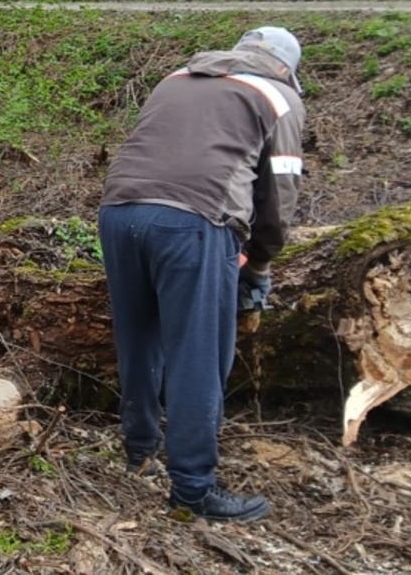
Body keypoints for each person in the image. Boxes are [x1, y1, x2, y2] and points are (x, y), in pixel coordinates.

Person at [99, 26, 306, 523]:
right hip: (195, 221)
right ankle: (192, 489)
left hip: (118, 213)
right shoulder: (276, 95)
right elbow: (280, 196)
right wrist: (258, 264)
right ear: (287, 68)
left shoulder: (176, 78)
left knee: (140, 336)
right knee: (198, 355)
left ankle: (138, 450)